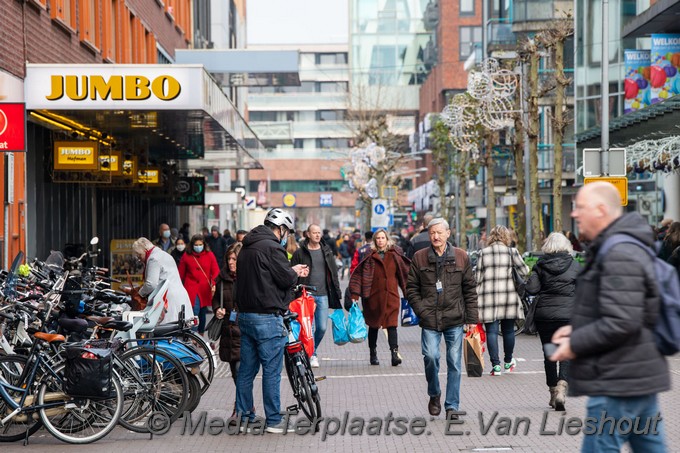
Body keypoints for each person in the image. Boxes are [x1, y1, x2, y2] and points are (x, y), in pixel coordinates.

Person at [551, 181, 669, 452]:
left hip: (617, 377)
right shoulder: (618, 247)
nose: (575, 213)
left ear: (601, 210)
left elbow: (622, 320)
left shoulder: (617, 252)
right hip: (634, 374)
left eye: (581, 207)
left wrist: (576, 342)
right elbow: (623, 311)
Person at [234, 208, 309, 433]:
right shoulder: (273, 247)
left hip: (245, 316)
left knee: (246, 371)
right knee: (271, 371)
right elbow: (285, 279)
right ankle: (274, 420)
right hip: (267, 316)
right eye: (286, 231)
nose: (286, 237)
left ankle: (245, 417)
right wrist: (294, 270)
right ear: (281, 228)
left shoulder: (246, 247)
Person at [406, 218, 478, 420]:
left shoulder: (461, 257)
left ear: (448, 233)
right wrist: (422, 310)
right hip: (429, 319)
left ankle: (452, 406)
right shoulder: (419, 257)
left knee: (454, 362)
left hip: (454, 318)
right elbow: (411, 288)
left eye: (439, 232)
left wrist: (471, 318)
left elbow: (470, 290)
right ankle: (434, 394)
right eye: (432, 233)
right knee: (431, 357)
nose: (435, 236)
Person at [525, 232, 580, 411]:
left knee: (550, 353)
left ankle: (552, 391)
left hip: (545, 316)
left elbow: (532, 289)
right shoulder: (574, 265)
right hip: (569, 316)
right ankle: (562, 388)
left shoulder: (540, 265)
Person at [349, 229, 410, 367]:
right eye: (378, 238)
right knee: (374, 326)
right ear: (375, 240)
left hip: (391, 296)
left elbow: (404, 275)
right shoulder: (369, 256)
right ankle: (373, 353)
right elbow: (359, 275)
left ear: (387, 240)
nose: (381, 240)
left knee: (392, 325)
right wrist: (355, 295)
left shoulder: (395, 255)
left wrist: (409, 294)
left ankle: (394, 354)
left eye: (383, 238)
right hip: (373, 297)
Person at [475, 225, 529, 376]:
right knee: (508, 331)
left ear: (491, 237)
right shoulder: (512, 252)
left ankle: (496, 366)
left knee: (491, 331)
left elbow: (477, 278)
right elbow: (525, 270)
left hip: (488, 297)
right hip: (508, 296)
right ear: (507, 237)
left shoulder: (483, 253)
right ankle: (508, 361)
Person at [291, 224, 342, 368]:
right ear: (308, 234)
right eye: (314, 233)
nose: (318, 235)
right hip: (306, 295)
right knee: (307, 328)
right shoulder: (299, 253)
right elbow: (291, 274)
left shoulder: (326, 251)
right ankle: (312, 355)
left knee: (322, 327)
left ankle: (311, 350)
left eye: (319, 233)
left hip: (323, 294)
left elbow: (333, 273)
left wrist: (337, 292)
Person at [130, 237, 193, 324]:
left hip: (168, 298)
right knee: (179, 328)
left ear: (145, 250)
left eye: (139, 255)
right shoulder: (164, 254)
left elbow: (151, 284)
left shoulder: (153, 258)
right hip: (179, 295)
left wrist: (139, 293)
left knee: (166, 330)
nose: (139, 259)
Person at [212, 242, 242, 416]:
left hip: (243, 331)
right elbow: (216, 299)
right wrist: (217, 309)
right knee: (234, 373)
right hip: (228, 331)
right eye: (229, 259)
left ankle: (238, 409)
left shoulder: (248, 278)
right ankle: (246, 406)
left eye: (234, 259)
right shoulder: (222, 278)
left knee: (240, 372)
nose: (231, 262)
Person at [179, 234, 220, 336]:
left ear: (204, 244)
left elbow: (215, 271)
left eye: (200, 244)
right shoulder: (186, 256)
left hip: (204, 288)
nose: (198, 246)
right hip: (191, 288)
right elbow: (180, 274)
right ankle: (193, 335)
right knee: (194, 311)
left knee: (202, 312)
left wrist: (213, 283)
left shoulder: (209, 255)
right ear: (192, 245)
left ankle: (201, 334)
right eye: (196, 244)